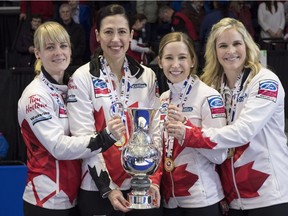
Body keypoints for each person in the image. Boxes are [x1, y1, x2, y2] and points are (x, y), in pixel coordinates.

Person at [180, 17, 288, 215]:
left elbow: (244, 131)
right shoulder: (212, 88)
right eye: (223, 45)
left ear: (247, 45)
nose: (230, 51)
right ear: (215, 51)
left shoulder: (264, 80)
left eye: (237, 43)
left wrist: (191, 134)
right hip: (234, 200)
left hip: (269, 196)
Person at [66, 4, 162, 216]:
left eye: (122, 32)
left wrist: (153, 180)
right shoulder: (82, 78)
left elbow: (155, 132)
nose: (115, 39)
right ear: (98, 36)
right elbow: (84, 139)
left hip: (141, 184)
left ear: (131, 35)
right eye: (108, 32)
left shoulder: (147, 76)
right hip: (96, 188)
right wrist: (107, 188)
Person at [18, 21, 116, 216]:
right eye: (50, 47)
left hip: (73, 198)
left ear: (70, 50)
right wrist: (103, 139)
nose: (58, 52)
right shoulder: (35, 95)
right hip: (46, 201)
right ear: (38, 53)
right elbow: (58, 147)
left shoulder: (71, 87)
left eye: (63, 46)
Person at [155, 31, 227, 216]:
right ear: (160, 61)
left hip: (202, 200)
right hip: (169, 201)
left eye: (182, 58)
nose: (175, 65)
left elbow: (220, 154)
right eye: (169, 58)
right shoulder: (163, 99)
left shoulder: (209, 96)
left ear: (192, 61)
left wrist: (186, 131)